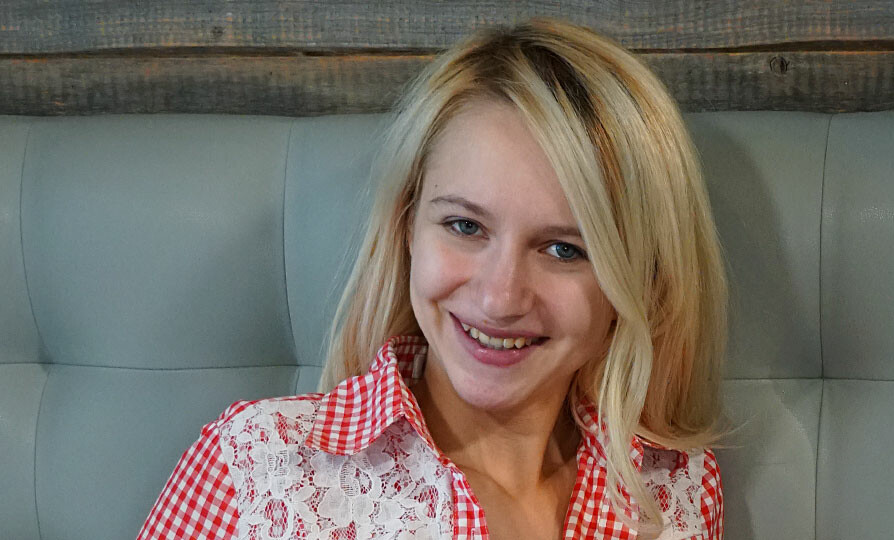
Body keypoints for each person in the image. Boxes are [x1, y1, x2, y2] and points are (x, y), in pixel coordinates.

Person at [138, 16, 730, 540]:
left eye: (563, 249)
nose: (500, 298)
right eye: (465, 226)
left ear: (641, 280)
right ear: (407, 228)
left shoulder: (676, 492)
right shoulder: (256, 467)